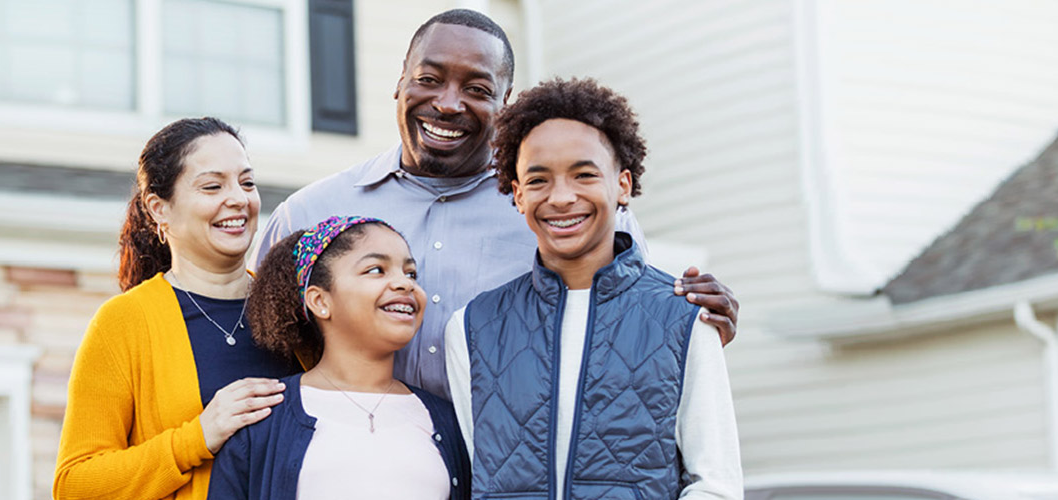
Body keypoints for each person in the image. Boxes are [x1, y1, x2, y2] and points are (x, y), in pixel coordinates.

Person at [252, 9, 741, 400]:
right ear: (399, 83)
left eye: (477, 89)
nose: (447, 103)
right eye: (429, 78)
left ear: (505, 105)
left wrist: (693, 323)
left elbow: (631, 328)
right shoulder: (311, 212)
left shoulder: (559, 214)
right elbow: (262, 344)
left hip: (511, 470)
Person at [444, 78, 742, 499]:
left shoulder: (686, 318)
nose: (561, 197)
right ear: (518, 195)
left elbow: (716, 485)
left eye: (584, 174)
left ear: (622, 184)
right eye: (539, 180)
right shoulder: (472, 327)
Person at [53, 117, 301, 500]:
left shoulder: (297, 308)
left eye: (247, 182)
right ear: (159, 209)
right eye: (212, 186)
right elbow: (75, 485)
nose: (238, 198)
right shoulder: (124, 323)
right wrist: (198, 437)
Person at [209, 216, 470, 500]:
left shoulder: (449, 421)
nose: (404, 284)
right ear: (320, 301)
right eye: (376, 270)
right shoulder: (261, 421)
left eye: (411, 274)